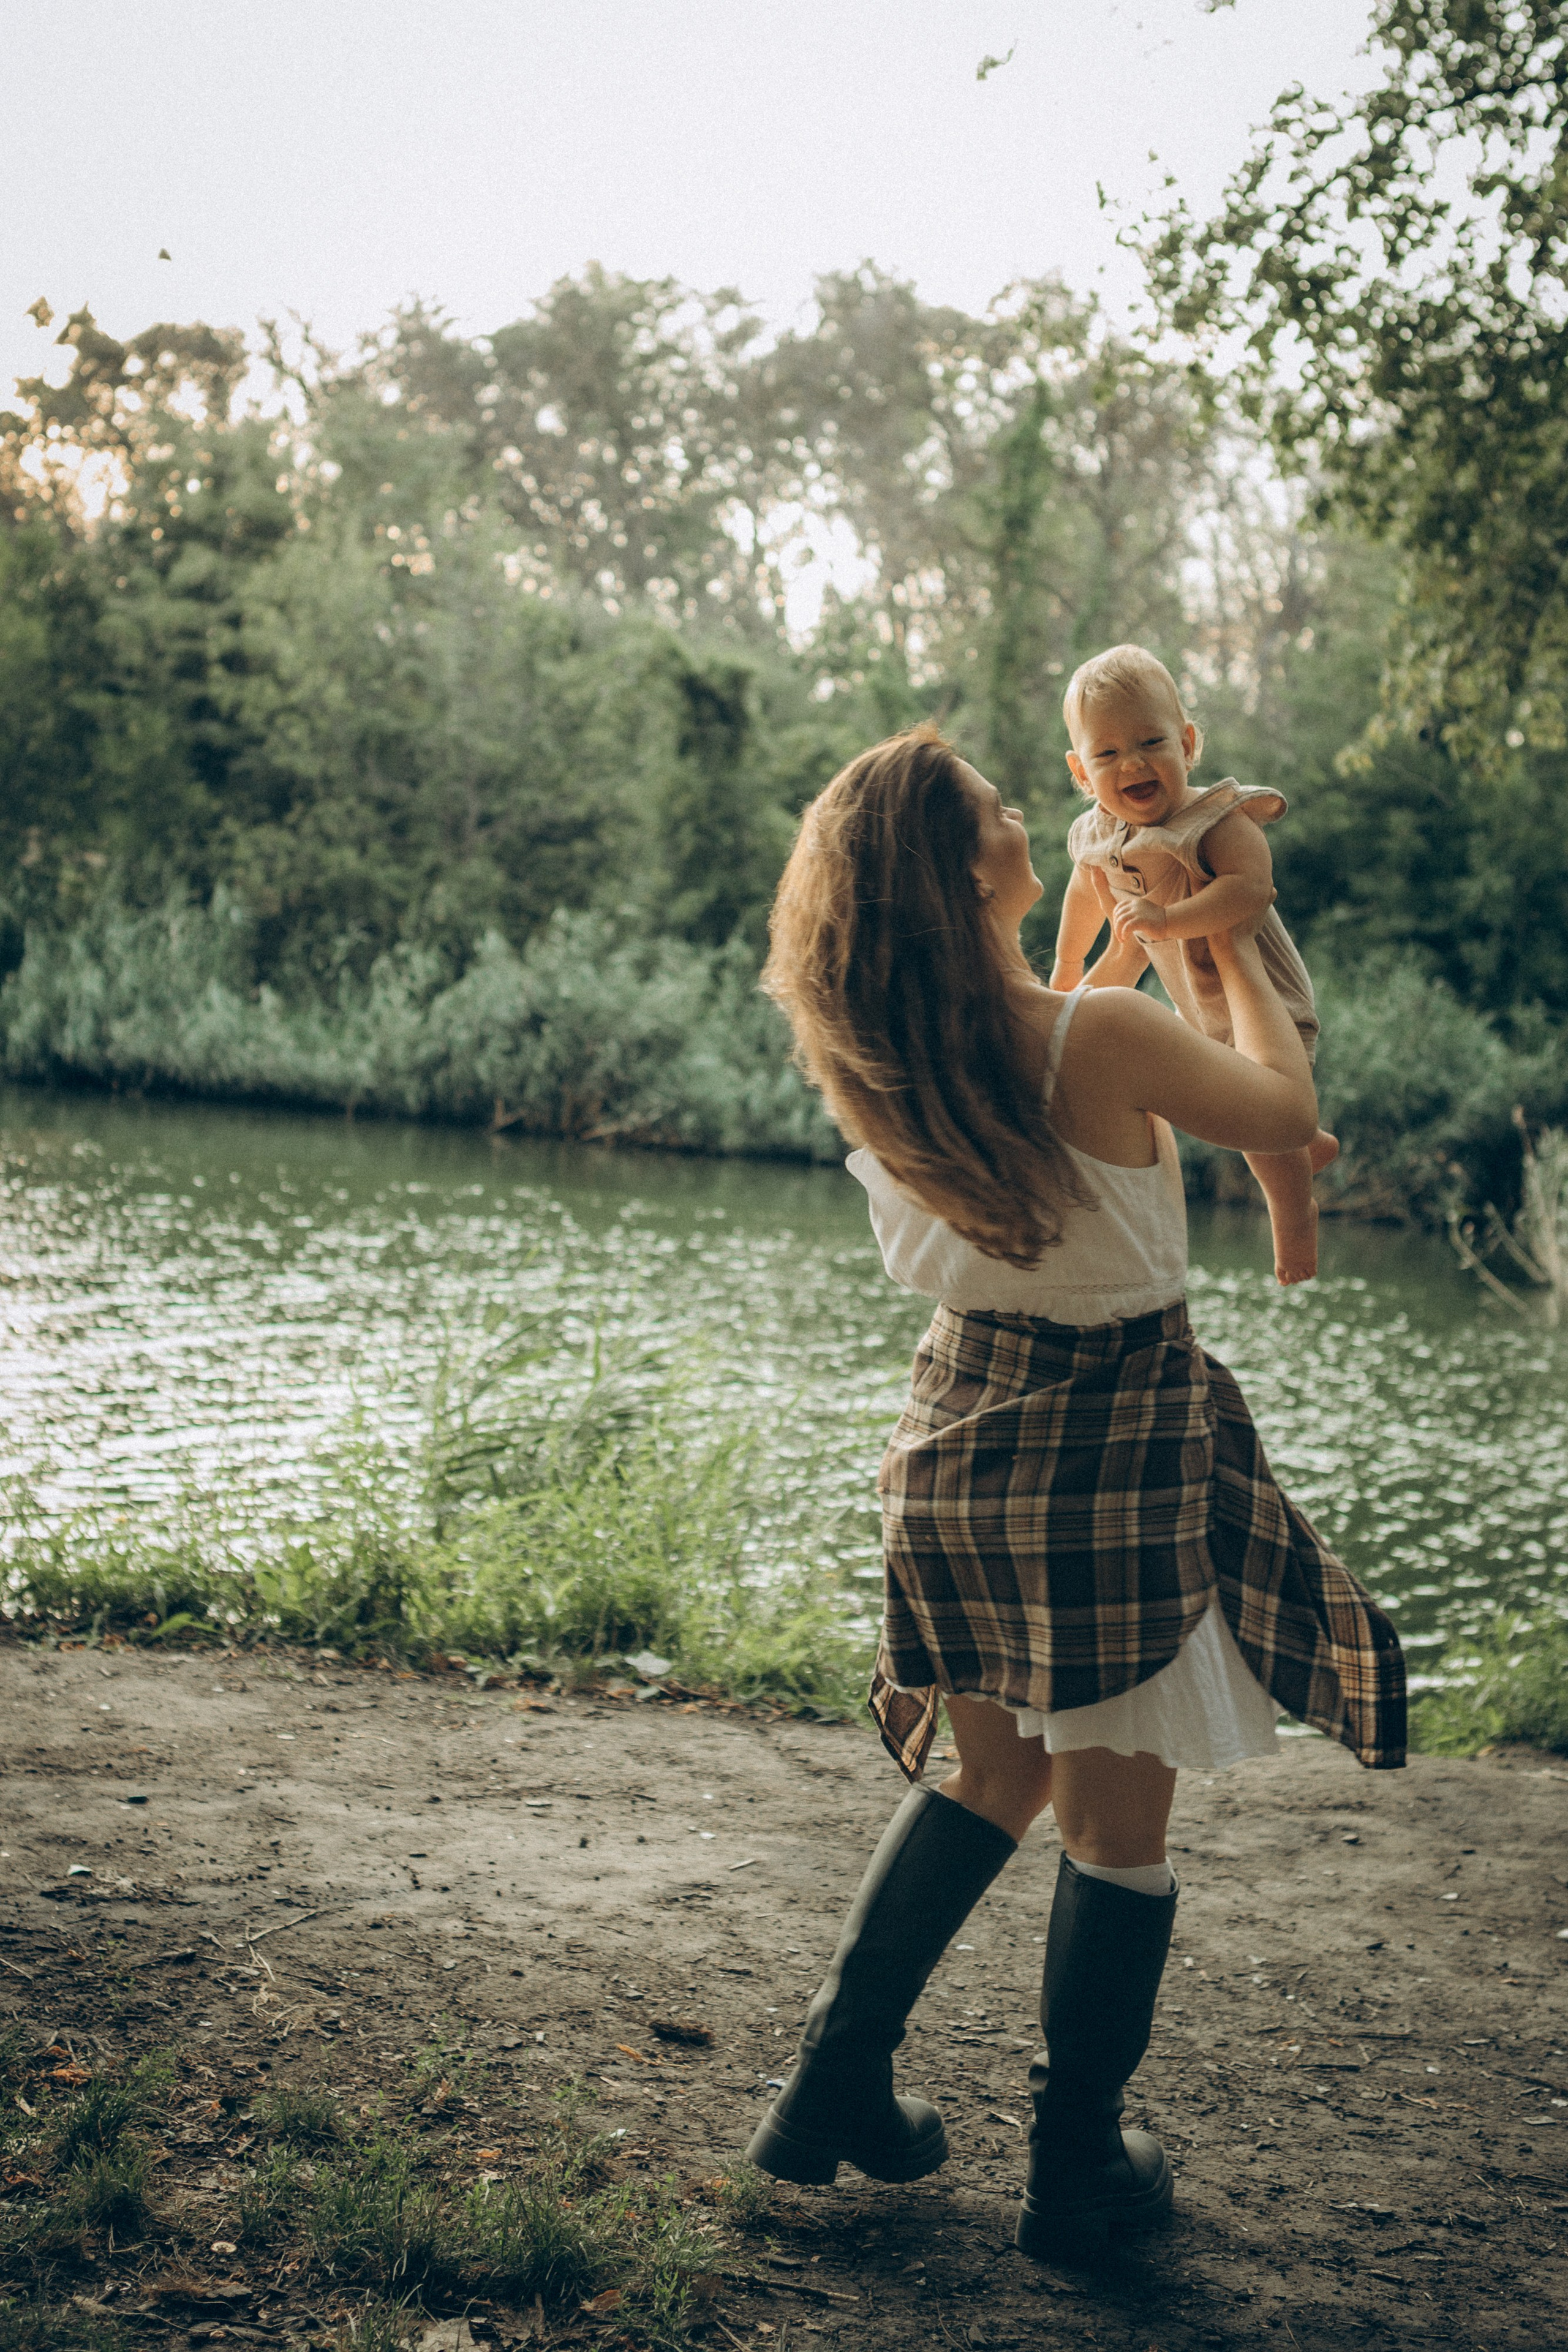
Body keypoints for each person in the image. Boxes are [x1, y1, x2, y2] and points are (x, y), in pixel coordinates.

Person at [748, 725, 1405, 2264]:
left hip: (957, 1435)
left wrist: (1128, 920)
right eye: (989, 802)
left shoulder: (880, 1053)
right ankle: (1075, 2170)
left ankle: (829, 2079)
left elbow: (1056, 1013)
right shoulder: (1091, 1038)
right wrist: (1230, 928)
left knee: (990, 1774)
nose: (1014, 805)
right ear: (960, 863)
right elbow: (1274, 1093)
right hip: (1101, 1447)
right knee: (1113, 1824)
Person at [1050, 644, 1338, 1286]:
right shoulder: (1098, 834)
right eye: (1107, 753)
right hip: (1194, 1002)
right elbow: (1080, 896)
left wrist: (1167, 922)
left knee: (1260, 1129)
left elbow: (1250, 888)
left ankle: (1296, 1221)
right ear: (1080, 771)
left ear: (1186, 743)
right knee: (1207, 1106)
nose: (1132, 763)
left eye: (1151, 741)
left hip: (1255, 997)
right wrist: (1070, 963)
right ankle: (1311, 1143)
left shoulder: (1213, 818)